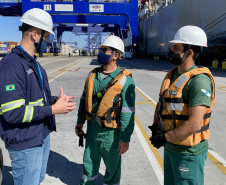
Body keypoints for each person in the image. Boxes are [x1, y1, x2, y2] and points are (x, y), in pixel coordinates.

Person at [0, 8, 76, 185]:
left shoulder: (34, 64)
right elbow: (13, 112)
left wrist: (55, 101)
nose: (48, 41)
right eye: (47, 36)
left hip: (40, 135)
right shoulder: (12, 66)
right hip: (24, 142)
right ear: (35, 34)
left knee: (36, 180)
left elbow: (36, 99)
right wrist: (52, 109)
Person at [149, 25, 216, 185]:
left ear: (190, 52)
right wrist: (156, 125)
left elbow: (194, 124)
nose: (170, 50)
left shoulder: (199, 81)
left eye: (176, 47)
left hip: (188, 153)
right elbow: (162, 103)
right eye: (172, 46)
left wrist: (164, 137)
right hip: (172, 147)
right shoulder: (172, 75)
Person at [75, 35, 135, 185]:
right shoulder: (92, 75)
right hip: (92, 130)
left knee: (112, 172)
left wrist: (125, 139)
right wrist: (80, 122)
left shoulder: (125, 80)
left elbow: (128, 113)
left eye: (105, 50)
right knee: (88, 167)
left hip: (112, 135)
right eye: (101, 49)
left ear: (116, 55)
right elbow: (84, 100)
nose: (100, 52)